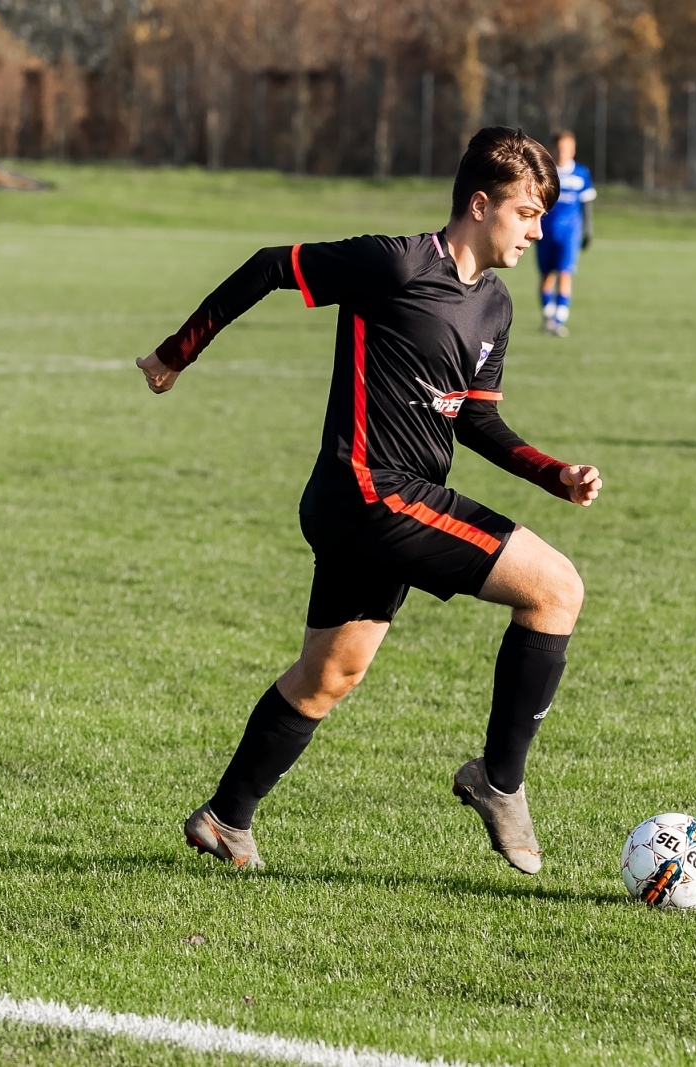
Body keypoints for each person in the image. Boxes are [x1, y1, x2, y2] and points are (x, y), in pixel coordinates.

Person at [136, 127, 603, 875]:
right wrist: (175, 352)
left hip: (384, 505)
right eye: (526, 213)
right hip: (369, 494)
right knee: (556, 590)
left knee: (329, 675)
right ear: (480, 205)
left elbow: (474, 417)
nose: (537, 230)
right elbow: (270, 266)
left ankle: (226, 817)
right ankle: (500, 781)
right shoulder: (394, 263)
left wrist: (555, 473)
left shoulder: (495, 307)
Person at [534, 130, 596, 337]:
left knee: (565, 273)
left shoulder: (581, 174)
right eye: (560, 149)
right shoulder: (545, 172)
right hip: (545, 232)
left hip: (570, 233)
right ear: (553, 149)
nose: (564, 152)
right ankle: (548, 316)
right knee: (546, 276)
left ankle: (559, 319)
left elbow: (587, 204)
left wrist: (588, 230)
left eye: (568, 148)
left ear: (573, 149)